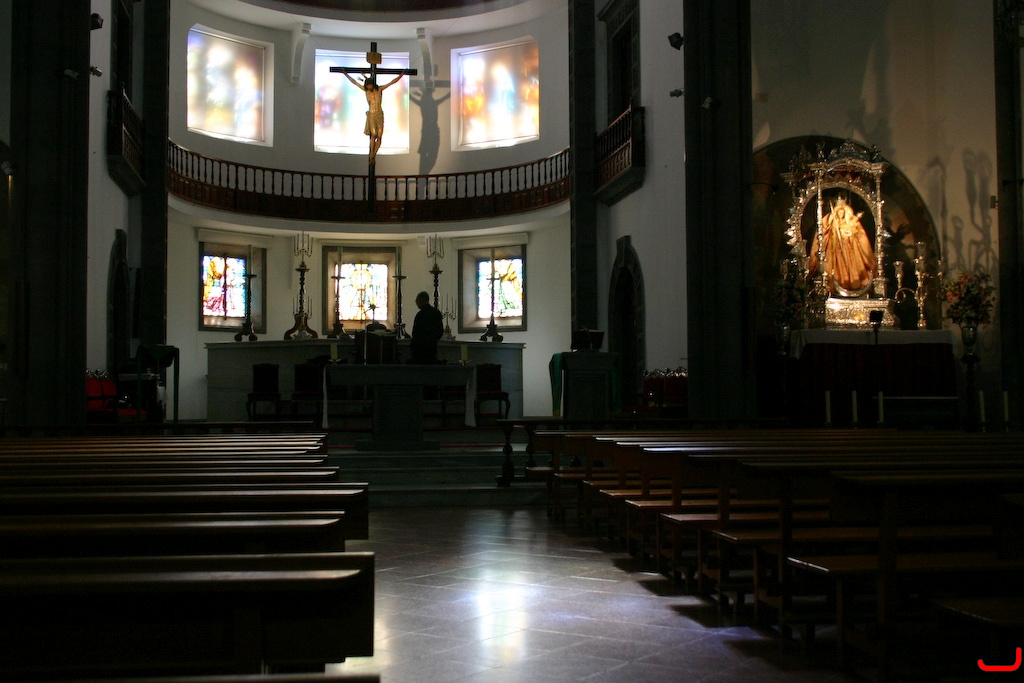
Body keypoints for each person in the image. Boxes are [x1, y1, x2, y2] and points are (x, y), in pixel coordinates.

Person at [808, 195, 875, 294]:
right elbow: (825, 229)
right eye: (839, 212)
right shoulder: (832, 221)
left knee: (850, 264)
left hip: (848, 247)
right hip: (835, 248)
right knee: (834, 266)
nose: (840, 214)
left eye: (842, 212)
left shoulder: (849, 222)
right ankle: (833, 284)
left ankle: (852, 283)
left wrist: (848, 233)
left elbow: (855, 232)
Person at [341, 72, 406, 164]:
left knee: (379, 136)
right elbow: (355, 82)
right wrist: (345, 74)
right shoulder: (366, 91)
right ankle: (371, 155)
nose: (369, 87)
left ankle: (373, 155)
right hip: (372, 114)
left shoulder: (379, 89)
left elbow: (391, 82)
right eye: (368, 86)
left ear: (372, 84)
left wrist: (401, 75)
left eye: (370, 85)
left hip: (379, 114)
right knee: (374, 134)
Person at [410, 291, 443, 364]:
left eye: (417, 299)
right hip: (432, 349)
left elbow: (416, 333)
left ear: (422, 300)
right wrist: (433, 341)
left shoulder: (420, 315)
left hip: (420, 351)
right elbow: (440, 331)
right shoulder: (436, 313)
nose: (416, 302)